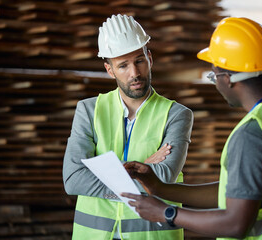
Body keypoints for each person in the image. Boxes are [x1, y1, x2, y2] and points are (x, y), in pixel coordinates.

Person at [122, 17, 262, 240]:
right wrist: (160, 188)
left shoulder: (251, 134)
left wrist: (166, 212)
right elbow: (239, 191)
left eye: (214, 76)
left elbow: (235, 223)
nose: (216, 83)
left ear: (228, 79)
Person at [62, 14, 193, 240]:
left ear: (149, 58)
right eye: (123, 65)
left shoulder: (177, 114)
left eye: (139, 60)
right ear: (109, 70)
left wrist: (107, 177)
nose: (134, 73)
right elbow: (73, 180)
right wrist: (144, 168)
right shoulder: (89, 111)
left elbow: (164, 178)